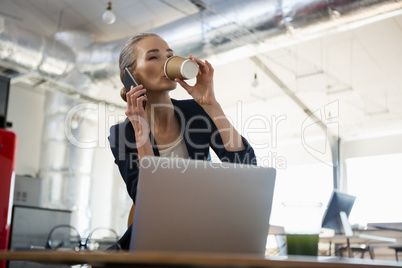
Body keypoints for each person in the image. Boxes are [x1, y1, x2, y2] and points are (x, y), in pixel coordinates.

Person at [108, 33, 257, 249]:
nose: (167, 62)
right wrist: (140, 129)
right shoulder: (123, 134)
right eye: (153, 57)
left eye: (169, 56)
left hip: (203, 233)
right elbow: (149, 203)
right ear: (130, 75)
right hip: (154, 240)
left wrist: (210, 104)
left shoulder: (196, 112)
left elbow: (246, 167)